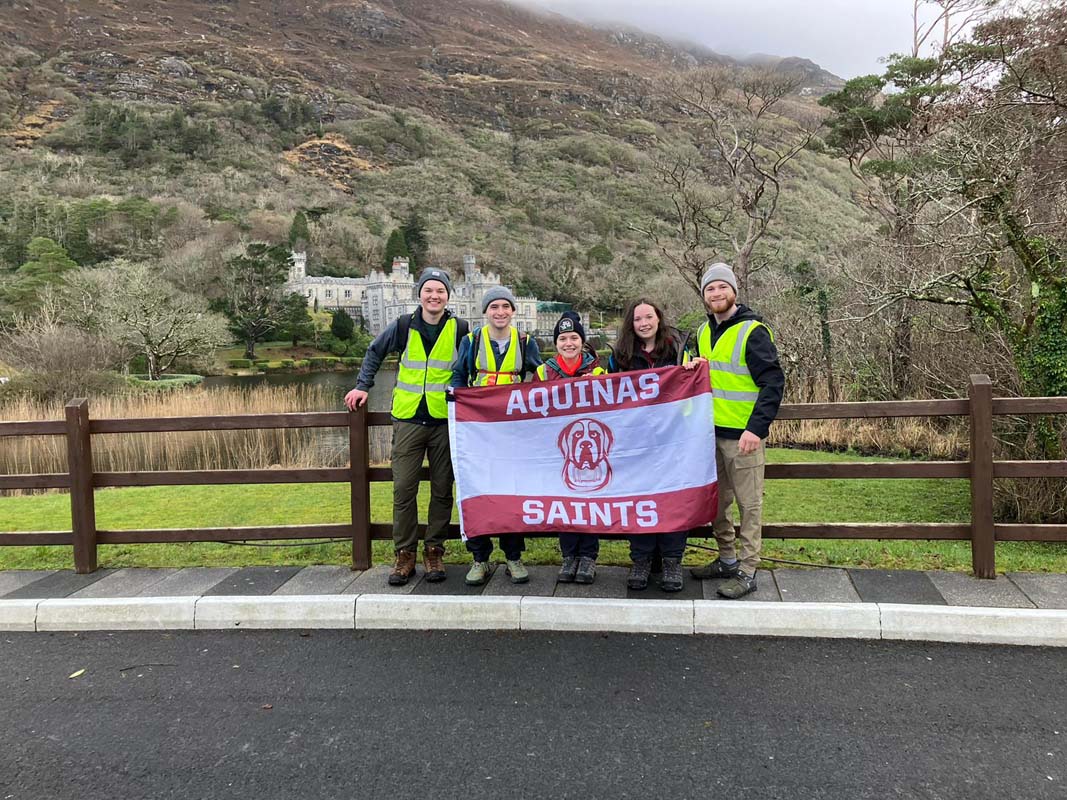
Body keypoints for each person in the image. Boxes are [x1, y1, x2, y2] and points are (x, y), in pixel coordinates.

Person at [344, 267, 470, 586]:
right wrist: (362, 386)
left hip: (444, 421)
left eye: (440, 290)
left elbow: (471, 368)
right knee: (403, 490)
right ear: (419, 294)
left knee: (442, 490)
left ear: (447, 296)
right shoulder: (402, 325)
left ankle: (434, 551)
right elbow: (374, 351)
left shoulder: (460, 329)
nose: (434, 295)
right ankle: (404, 554)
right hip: (408, 419)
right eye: (428, 289)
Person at [689, 263, 784, 598]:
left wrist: (756, 429)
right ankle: (727, 560)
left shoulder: (752, 331)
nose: (716, 294)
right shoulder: (702, 332)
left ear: (734, 291)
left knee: (749, 506)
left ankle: (747, 570)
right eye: (710, 289)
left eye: (721, 287)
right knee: (717, 504)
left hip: (743, 438)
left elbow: (773, 383)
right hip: (710, 435)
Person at [450, 286, 543, 586]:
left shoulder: (525, 341)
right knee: (477, 490)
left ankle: (513, 556)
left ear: (513, 311)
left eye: (506, 306)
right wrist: (455, 403)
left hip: (511, 431)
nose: (500, 312)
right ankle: (480, 558)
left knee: (510, 492)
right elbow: (458, 376)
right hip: (478, 430)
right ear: (485, 311)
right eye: (494, 307)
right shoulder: (472, 340)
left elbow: (541, 376)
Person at [607, 297, 694, 592]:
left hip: (674, 439)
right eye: (637, 319)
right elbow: (608, 393)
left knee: (673, 500)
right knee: (639, 501)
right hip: (636, 441)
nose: (644, 323)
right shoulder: (621, 355)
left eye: (648, 317)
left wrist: (695, 367)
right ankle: (641, 560)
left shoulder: (679, 348)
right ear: (631, 324)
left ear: (658, 317)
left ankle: (671, 561)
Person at [534, 311, 605, 584]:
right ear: (557, 342)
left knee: (589, 499)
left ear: (582, 341)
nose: (568, 343)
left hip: (590, 451)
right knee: (564, 502)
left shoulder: (599, 370)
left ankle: (588, 557)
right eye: (563, 338)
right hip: (559, 450)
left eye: (574, 337)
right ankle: (569, 556)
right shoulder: (544, 371)